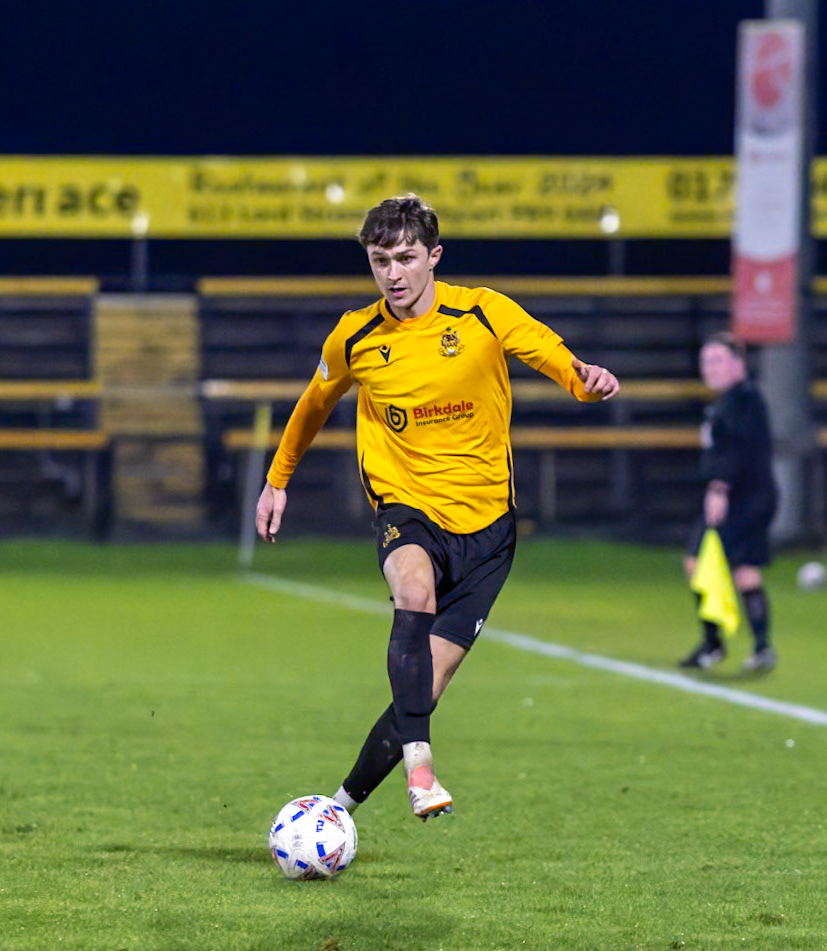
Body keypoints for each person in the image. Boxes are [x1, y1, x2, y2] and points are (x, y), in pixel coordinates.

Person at [254, 195, 619, 820]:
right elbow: (313, 404)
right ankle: (420, 766)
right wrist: (276, 480)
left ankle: (336, 810)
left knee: (424, 687)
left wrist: (585, 381)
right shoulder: (355, 335)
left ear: (434, 257)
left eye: (406, 258)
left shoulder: (482, 312)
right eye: (380, 261)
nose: (393, 274)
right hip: (408, 507)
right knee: (414, 593)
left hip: (488, 530)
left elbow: (553, 357)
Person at [679, 333, 778, 673]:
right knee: (742, 569)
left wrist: (719, 488)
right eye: (706, 362)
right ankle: (758, 648)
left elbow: (737, 448)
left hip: (742, 498)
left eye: (718, 360)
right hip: (752, 496)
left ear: (738, 363)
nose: (710, 368)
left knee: (698, 562)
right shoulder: (730, 401)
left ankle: (714, 645)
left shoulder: (742, 400)